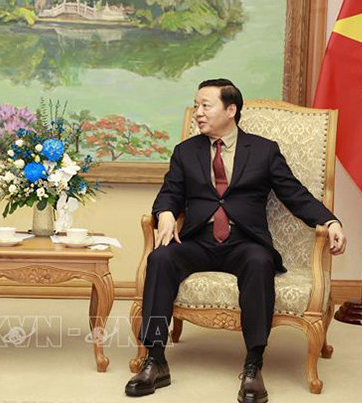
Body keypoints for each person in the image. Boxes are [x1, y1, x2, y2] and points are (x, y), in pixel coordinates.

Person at [124, 79, 347, 402]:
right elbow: (170, 192)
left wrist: (330, 221)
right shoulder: (186, 151)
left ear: (231, 110)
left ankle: (254, 364)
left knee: (259, 262)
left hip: (245, 242)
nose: (198, 113)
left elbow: (295, 194)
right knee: (159, 259)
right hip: (198, 241)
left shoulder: (264, 150)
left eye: (206, 105)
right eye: (196, 105)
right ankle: (155, 359)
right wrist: (166, 213)